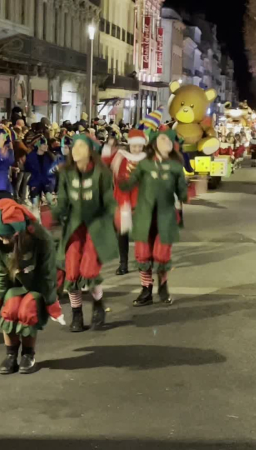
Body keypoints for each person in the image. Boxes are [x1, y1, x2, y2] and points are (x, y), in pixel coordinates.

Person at [0, 199, 66, 374]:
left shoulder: (41, 240)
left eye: (7, 237)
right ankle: (11, 355)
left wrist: (52, 305)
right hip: (18, 286)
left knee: (27, 309)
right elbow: (2, 278)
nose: (3, 241)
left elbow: (48, 277)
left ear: (18, 233)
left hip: (40, 285)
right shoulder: (1, 244)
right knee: (10, 308)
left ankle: (28, 355)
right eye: (0, 236)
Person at [53, 134, 118, 332]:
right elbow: (63, 201)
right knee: (71, 273)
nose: (76, 149)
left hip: (96, 228)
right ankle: (77, 313)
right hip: (74, 229)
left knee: (89, 272)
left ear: (90, 150)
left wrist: (117, 214)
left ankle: (98, 305)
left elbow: (108, 200)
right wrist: (56, 213)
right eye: (74, 146)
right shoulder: (66, 173)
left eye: (81, 145)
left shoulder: (102, 173)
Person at [120, 128, 188, 307]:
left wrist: (186, 194)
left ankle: (163, 286)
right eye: (162, 139)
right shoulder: (144, 163)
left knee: (161, 254)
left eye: (168, 140)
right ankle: (146, 289)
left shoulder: (175, 165)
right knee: (143, 253)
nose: (165, 142)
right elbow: (129, 184)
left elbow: (182, 191)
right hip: (144, 214)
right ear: (155, 142)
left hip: (165, 216)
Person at [104, 129, 148, 276]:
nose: (137, 149)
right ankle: (123, 263)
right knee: (122, 234)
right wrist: (109, 146)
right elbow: (105, 161)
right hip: (122, 201)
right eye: (134, 146)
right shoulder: (120, 157)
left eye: (139, 146)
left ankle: (144, 260)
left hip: (140, 201)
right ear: (129, 145)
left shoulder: (147, 160)